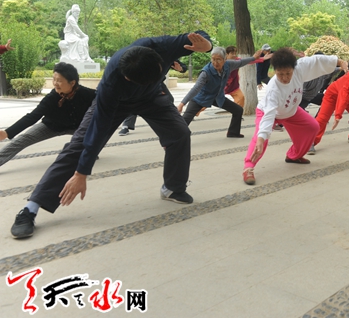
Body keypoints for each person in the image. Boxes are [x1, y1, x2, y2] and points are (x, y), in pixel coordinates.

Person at [10, 32, 212, 239]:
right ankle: (31, 208)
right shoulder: (112, 83)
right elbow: (98, 129)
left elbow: (200, 37)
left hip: (152, 96)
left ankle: (173, 188)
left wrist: (207, 46)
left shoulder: (163, 46)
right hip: (118, 102)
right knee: (79, 145)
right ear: (127, 77)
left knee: (180, 133)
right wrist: (81, 173)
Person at [242, 48, 348, 185]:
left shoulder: (300, 68)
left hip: (290, 111)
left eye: (288, 73)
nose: (285, 78)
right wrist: (261, 138)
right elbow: (269, 116)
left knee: (313, 127)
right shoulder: (273, 88)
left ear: (294, 68)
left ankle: (293, 156)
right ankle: (248, 167)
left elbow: (316, 61)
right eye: (280, 74)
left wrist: (339, 62)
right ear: (274, 71)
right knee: (260, 138)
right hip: (268, 112)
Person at [0, 63, 96, 168]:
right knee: (23, 139)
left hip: (77, 127)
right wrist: (7, 132)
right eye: (54, 79)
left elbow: (103, 100)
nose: (55, 83)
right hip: (51, 126)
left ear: (72, 82)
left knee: (94, 133)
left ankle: (89, 152)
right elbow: (32, 117)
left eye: (59, 80)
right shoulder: (51, 98)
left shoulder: (87, 94)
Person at [178, 46, 262, 138]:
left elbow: (241, 62)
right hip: (201, 97)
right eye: (213, 59)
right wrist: (182, 103)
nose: (215, 62)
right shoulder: (206, 73)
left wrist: (253, 58)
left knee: (238, 110)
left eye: (218, 59)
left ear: (224, 59)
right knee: (186, 119)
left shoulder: (228, 65)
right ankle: (174, 137)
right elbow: (195, 88)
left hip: (218, 97)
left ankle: (233, 132)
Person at [118, 60, 187, 136]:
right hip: (141, 81)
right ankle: (126, 126)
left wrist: (181, 69)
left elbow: (183, 67)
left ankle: (171, 120)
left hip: (158, 83)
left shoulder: (169, 57)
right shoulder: (146, 56)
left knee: (169, 99)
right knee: (135, 101)